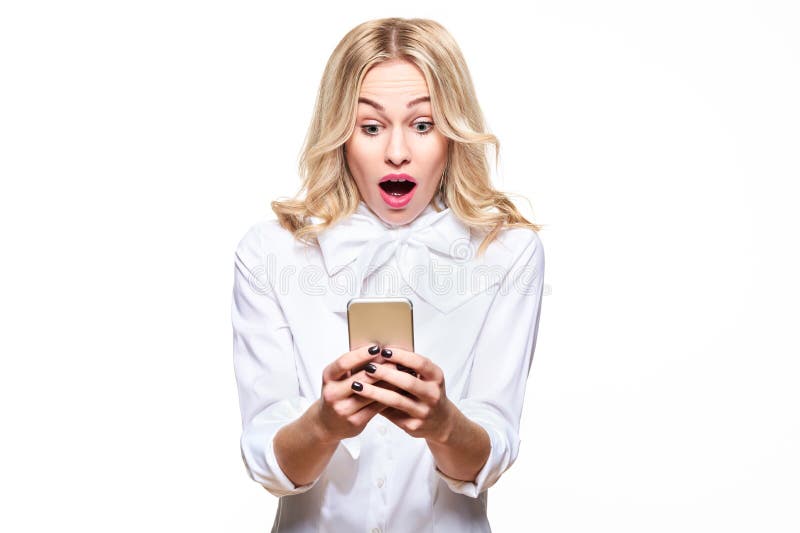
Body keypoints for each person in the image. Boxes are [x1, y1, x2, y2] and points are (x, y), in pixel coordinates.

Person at [231, 17, 546, 533]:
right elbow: (268, 462)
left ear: (451, 133)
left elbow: (491, 452)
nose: (397, 152)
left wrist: (444, 424)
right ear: (340, 135)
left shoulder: (508, 253)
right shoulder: (270, 253)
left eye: (422, 125)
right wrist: (323, 424)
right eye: (371, 127)